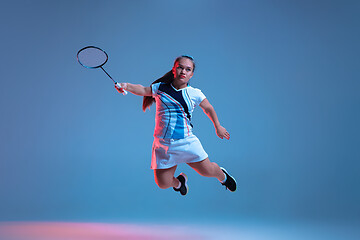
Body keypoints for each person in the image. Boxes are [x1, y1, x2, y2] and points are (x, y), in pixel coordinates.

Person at [115, 55, 236, 196]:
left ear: (191, 74)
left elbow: (208, 108)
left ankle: (224, 177)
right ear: (174, 69)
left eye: (188, 69)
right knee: (163, 183)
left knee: (207, 171)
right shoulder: (160, 88)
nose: (183, 71)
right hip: (163, 145)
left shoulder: (194, 93)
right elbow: (143, 90)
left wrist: (218, 126)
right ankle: (179, 183)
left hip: (186, 142)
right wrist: (126, 86)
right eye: (180, 67)